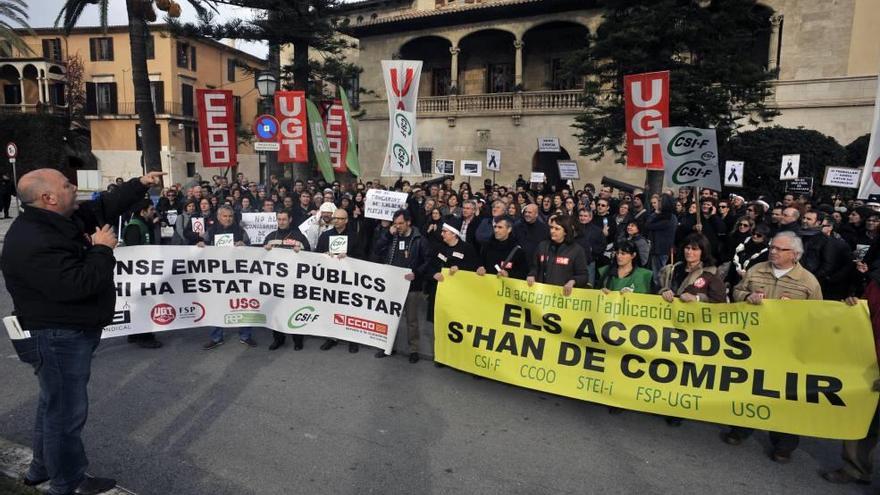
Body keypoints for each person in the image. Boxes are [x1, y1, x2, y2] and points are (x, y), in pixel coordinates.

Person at [1, 168, 163, 495]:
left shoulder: (59, 219)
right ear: (48, 198)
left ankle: (41, 468)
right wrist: (102, 249)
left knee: (52, 405)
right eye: (66, 185)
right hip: (59, 336)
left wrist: (139, 185)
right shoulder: (34, 239)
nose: (74, 187)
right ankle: (68, 482)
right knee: (65, 415)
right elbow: (77, 285)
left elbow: (100, 208)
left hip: (67, 331)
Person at [723, 231, 822, 463]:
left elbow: (818, 317)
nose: (773, 251)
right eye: (772, 247)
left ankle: (784, 444)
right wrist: (747, 296)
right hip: (753, 344)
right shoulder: (757, 270)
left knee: (785, 396)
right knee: (748, 386)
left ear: (795, 254)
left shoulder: (808, 282)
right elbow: (736, 292)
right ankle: (740, 429)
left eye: (780, 249)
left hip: (787, 349)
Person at [374, 209, 431, 363]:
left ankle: (414, 350)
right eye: (395, 224)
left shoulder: (419, 239)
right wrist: (387, 234)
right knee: (389, 317)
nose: (397, 226)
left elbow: (428, 261)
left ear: (408, 222)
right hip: (393, 284)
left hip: (412, 286)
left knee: (411, 320)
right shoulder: (392, 237)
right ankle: (388, 346)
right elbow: (377, 249)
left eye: (400, 223)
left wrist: (417, 274)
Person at [199, 205, 257, 349]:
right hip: (217, 276)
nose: (228, 219)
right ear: (219, 217)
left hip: (238, 276)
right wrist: (200, 245)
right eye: (225, 216)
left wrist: (244, 245)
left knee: (243, 304)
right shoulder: (211, 231)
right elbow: (203, 246)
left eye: (230, 216)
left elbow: (251, 251)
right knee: (216, 306)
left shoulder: (240, 231)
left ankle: (245, 335)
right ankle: (216, 337)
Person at [316, 208, 364, 353]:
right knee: (331, 308)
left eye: (340, 218)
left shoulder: (355, 236)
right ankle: (332, 337)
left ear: (346, 220)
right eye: (335, 217)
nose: (336, 220)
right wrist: (324, 255)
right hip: (330, 279)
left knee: (350, 309)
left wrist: (349, 256)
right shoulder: (325, 236)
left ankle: (352, 339)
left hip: (349, 279)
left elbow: (362, 257)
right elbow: (316, 257)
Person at [263, 210, 310, 351]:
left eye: (284, 219)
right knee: (276, 311)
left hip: (294, 281)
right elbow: (261, 259)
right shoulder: (271, 237)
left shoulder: (299, 236)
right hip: (275, 282)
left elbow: (311, 255)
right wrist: (264, 250)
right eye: (279, 219)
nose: (281, 222)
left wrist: (302, 252)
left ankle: (297, 340)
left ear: (290, 219)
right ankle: (278, 339)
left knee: (295, 310)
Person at [122, 199, 163, 349]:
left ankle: (134, 333)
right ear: (143, 211)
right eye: (151, 209)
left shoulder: (145, 224)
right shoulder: (134, 227)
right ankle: (144, 336)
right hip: (138, 273)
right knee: (144, 303)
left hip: (145, 271)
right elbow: (132, 253)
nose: (154, 212)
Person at [527, 214, 589, 295]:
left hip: (562, 297)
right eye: (551, 228)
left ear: (566, 231)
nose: (552, 231)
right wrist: (532, 275)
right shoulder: (542, 246)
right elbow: (534, 267)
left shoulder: (577, 250)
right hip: (542, 295)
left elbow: (583, 276)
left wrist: (573, 281)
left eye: (557, 229)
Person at [477, 215, 528, 280]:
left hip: (505, 287)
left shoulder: (517, 250)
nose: (496, 230)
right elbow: (479, 262)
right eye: (495, 227)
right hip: (487, 286)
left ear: (509, 229)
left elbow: (523, 273)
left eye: (500, 227)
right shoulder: (486, 246)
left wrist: (509, 274)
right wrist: (480, 267)